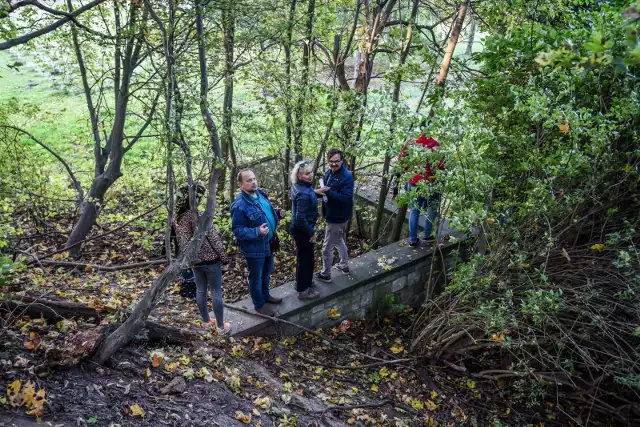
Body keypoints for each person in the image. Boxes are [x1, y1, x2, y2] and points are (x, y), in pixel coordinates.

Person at [174, 183, 231, 333]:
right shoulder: (197, 215)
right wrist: (224, 258)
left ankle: (206, 322)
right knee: (216, 292)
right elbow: (213, 237)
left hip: (194, 261)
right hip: (210, 260)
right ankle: (220, 327)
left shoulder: (178, 217)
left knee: (201, 289)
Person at [231, 169, 284, 316]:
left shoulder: (261, 194)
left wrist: (276, 213)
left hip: (268, 244)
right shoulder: (240, 205)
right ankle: (259, 304)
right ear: (241, 185)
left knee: (267, 272)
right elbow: (237, 230)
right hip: (254, 248)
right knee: (256, 277)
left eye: (254, 179)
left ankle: (266, 296)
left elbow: (266, 210)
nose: (253, 182)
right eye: (248, 180)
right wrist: (256, 232)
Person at [392, 130, 445, 247]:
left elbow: (402, 161)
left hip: (414, 181)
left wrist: (409, 170)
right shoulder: (435, 144)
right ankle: (427, 234)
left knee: (414, 210)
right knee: (432, 208)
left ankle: (412, 239)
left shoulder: (411, 143)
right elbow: (441, 166)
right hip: (431, 182)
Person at [314, 148, 354, 282]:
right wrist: (318, 192)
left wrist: (329, 192)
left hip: (338, 217)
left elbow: (346, 198)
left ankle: (326, 274)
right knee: (338, 240)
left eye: (336, 161)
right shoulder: (328, 173)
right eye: (331, 161)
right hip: (331, 213)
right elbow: (326, 192)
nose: (333, 164)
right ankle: (344, 265)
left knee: (326, 248)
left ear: (342, 161)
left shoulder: (347, 176)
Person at [290, 161, 320, 300]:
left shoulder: (299, 187)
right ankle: (303, 291)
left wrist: (315, 192)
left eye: (311, 172)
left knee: (306, 257)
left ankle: (306, 282)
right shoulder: (303, 193)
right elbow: (300, 219)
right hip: (303, 230)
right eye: (307, 173)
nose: (310, 175)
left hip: (301, 229)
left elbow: (305, 196)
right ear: (299, 175)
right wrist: (311, 233)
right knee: (305, 259)